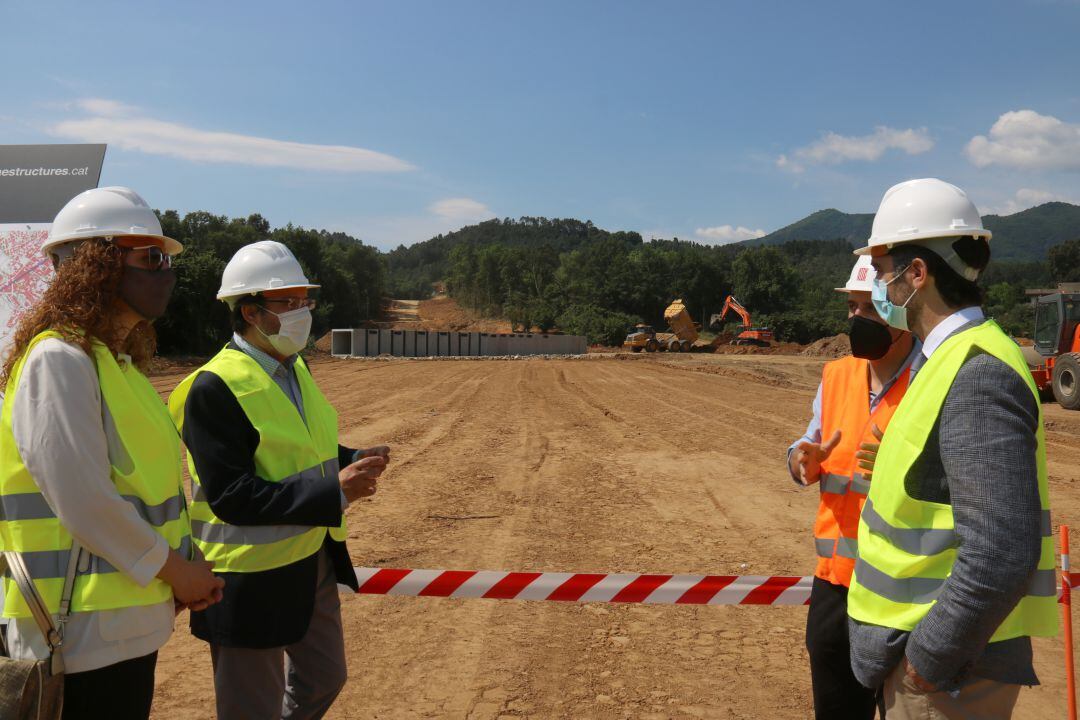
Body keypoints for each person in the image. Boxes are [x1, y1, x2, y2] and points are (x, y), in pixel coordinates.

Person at [0, 186, 224, 719]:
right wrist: (177, 572)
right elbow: (84, 501)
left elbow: (150, 495)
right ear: (94, 264)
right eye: (150, 257)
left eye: (166, 258)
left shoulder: (118, 367)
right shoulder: (59, 360)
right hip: (73, 637)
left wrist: (177, 572)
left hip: (121, 629)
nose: (166, 272)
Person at [847, 178, 1058, 719]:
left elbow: (1000, 553)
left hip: (949, 679)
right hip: (932, 666)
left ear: (917, 275)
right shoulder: (945, 358)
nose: (877, 286)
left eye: (882, 268)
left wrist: (928, 662)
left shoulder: (977, 371)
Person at [168, 240, 390, 720]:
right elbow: (233, 496)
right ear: (250, 311)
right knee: (251, 707)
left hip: (311, 556)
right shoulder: (213, 387)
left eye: (304, 301)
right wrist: (335, 491)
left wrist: (351, 457)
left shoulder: (295, 367)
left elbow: (301, 449)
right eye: (289, 303)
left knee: (325, 677)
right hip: (247, 579)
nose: (302, 313)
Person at [788, 254, 918, 719]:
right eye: (852, 308)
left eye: (870, 308)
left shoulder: (932, 379)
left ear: (902, 310)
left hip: (906, 593)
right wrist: (802, 458)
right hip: (838, 586)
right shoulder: (837, 375)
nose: (857, 319)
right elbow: (810, 441)